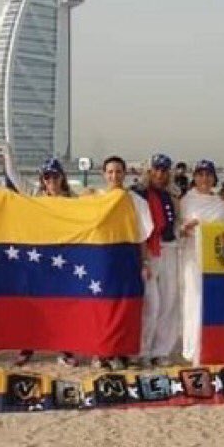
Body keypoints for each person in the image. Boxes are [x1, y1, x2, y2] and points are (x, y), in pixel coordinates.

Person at [89, 155, 155, 370]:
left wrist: (144, 262)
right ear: (103, 174)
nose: (114, 176)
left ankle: (122, 352)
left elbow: (143, 235)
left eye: (118, 172)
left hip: (128, 258)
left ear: (124, 174)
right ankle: (101, 353)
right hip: (101, 259)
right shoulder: (95, 199)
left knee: (126, 307)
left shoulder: (137, 202)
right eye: (110, 172)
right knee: (102, 307)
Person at [14, 159, 79, 367]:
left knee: (63, 304)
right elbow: (15, 179)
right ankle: (27, 346)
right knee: (34, 304)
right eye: (47, 176)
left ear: (62, 177)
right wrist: (7, 153)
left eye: (55, 176)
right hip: (38, 257)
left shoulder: (73, 200)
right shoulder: (35, 197)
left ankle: (65, 348)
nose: (51, 180)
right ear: (42, 180)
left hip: (63, 257)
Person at [132, 154, 184, 367]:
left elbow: (176, 224)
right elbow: (139, 229)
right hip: (149, 252)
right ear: (149, 171)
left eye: (164, 170)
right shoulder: (138, 195)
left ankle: (161, 350)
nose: (160, 174)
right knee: (150, 304)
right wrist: (143, 260)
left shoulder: (173, 196)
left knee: (169, 301)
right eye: (156, 170)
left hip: (170, 249)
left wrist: (184, 230)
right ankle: (142, 350)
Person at [178, 159, 224, 362]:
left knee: (213, 302)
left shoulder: (223, 205)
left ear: (214, 178)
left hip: (215, 259)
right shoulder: (186, 201)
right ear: (194, 177)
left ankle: (212, 344)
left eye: (208, 175)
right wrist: (186, 228)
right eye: (200, 174)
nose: (204, 179)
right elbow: (178, 231)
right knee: (193, 300)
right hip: (193, 256)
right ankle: (192, 348)